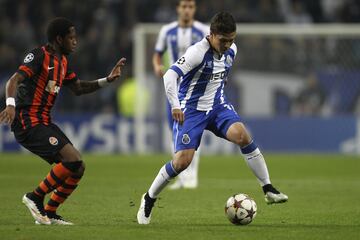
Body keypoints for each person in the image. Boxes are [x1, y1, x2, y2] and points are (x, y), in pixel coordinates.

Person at [137, 12, 288, 225]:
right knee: (182, 162)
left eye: (231, 40)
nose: (227, 44)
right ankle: (149, 198)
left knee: (242, 135)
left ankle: (268, 188)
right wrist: (175, 105)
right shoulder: (196, 53)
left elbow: (219, 76)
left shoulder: (232, 51)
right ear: (211, 35)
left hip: (217, 106)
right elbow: (170, 75)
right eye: (223, 40)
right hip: (191, 110)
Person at [0, 17, 126, 225]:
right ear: (59, 39)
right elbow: (14, 80)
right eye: (71, 37)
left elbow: (78, 88)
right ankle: (34, 196)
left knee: (78, 167)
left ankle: (49, 212)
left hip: (44, 121)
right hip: (27, 120)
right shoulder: (39, 56)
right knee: (72, 159)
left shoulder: (63, 62)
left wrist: (107, 80)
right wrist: (11, 104)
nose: (75, 41)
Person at [153, 0, 208, 189]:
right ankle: (182, 176)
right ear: (178, 9)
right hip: (174, 88)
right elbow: (157, 54)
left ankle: (192, 177)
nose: (187, 10)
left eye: (190, 6)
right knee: (175, 131)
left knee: (193, 130)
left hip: (196, 88)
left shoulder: (203, 30)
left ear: (194, 9)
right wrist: (157, 66)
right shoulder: (167, 31)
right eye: (184, 6)